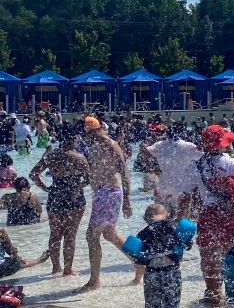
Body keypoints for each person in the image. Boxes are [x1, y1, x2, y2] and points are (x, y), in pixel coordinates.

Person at [193, 125, 234, 305]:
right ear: (222, 143)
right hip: (231, 216)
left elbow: (195, 196)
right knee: (228, 256)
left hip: (208, 216)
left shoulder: (198, 165)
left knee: (209, 260)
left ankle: (214, 294)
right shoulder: (233, 164)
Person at [76, 116, 136, 293]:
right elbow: (96, 171)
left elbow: (124, 170)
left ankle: (94, 281)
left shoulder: (110, 143)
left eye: (90, 131)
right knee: (109, 235)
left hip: (110, 192)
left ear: (95, 130)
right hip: (102, 193)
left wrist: (127, 200)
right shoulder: (93, 146)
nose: (89, 135)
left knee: (91, 236)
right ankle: (139, 260)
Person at [130, 204, 191, 308]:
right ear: (168, 215)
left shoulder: (143, 233)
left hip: (152, 275)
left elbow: (138, 258)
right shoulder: (173, 229)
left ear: (146, 219)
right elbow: (187, 245)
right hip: (171, 274)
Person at [30, 129, 89, 275]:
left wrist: (45, 188)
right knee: (70, 235)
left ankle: (55, 268)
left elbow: (33, 174)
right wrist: (78, 187)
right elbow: (88, 179)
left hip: (55, 196)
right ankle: (68, 270)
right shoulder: (79, 158)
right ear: (74, 141)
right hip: (74, 197)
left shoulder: (51, 156)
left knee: (55, 234)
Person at [144, 124, 202, 218]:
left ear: (167, 134)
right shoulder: (188, 146)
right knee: (181, 216)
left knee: (161, 213)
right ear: (181, 133)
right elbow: (201, 156)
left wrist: (154, 167)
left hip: (164, 182)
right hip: (182, 183)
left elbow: (146, 151)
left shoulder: (160, 145)